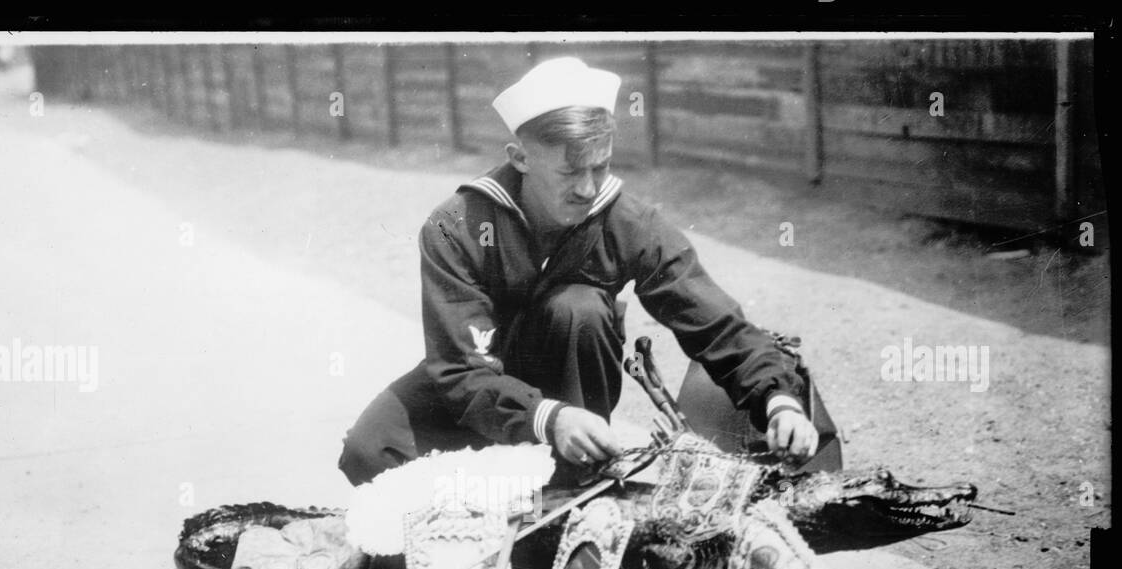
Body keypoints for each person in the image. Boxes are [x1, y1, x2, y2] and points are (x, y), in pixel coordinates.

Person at [338, 56, 820, 488]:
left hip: (568, 378)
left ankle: (576, 484)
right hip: (482, 388)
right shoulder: (456, 226)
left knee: (579, 306)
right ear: (520, 158)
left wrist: (777, 399)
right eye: (570, 174)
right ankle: (505, 484)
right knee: (371, 453)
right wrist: (547, 418)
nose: (589, 189)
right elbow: (461, 370)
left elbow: (715, 322)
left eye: (601, 167)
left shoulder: (628, 220)